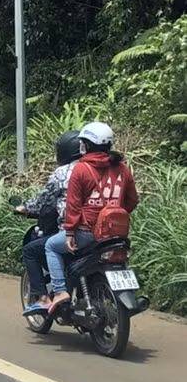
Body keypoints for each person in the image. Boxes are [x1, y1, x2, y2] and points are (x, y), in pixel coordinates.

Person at [45, 122, 139, 310]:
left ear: (86, 145)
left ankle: (60, 291)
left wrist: (70, 233)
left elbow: (73, 205)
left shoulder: (81, 169)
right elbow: (132, 200)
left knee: (51, 246)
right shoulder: (122, 168)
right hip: (115, 234)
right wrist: (113, 214)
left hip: (87, 233)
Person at [18, 130, 81, 315]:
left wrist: (25, 208)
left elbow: (44, 200)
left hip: (76, 230)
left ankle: (46, 298)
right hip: (109, 232)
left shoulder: (64, 172)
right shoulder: (105, 169)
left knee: (33, 250)